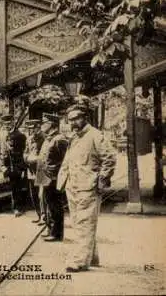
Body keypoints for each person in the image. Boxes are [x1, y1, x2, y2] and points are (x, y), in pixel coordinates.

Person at [57, 103, 116, 272]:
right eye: (70, 120)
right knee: (79, 224)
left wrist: (100, 181)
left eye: (76, 119)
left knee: (84, 223)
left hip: (88, 188)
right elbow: (68, 162)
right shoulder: (74, 138)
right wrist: (63, 183)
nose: (73, 123)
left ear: (85, 118)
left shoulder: (96, 136)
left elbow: (110, 159)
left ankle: (79, 261)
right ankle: (92, 257)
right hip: (73, 187)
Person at [34, 113, 68, 242]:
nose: (42, 125)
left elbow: (66, 160)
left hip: (53, 177)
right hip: (45, 176)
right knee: (48, 204)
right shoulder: (49, 139)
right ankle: (50, 229)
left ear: (52, 125)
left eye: (45, 123)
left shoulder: (59, 139)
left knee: (55, 206)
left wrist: (57, 174)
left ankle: (57, 233)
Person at [24, 119, 45, 224]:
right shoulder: (29, 139)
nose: (31, 131)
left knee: (42, 195)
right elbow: (26, 151)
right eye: (30, 129)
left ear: (38, 127)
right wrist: (27, 158)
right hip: (31, 170)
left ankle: (44, 217)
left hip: (41, 170)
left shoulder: (44, 138)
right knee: (34, 194)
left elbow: (46, 155)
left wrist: (36, 158)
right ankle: (39, 215)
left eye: (33, 129)